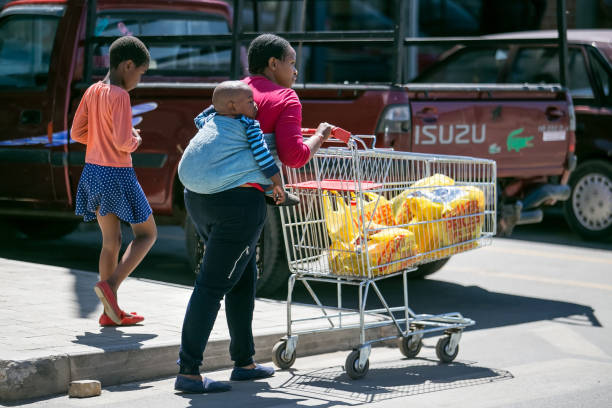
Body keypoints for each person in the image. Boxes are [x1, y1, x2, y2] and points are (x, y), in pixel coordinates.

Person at [174, 33, 334, 394]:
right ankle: (188, 371)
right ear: (273, 64)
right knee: (212, 284)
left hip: (199, 197)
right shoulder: (284, 97)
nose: (296, 70)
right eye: (291, 62)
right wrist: (319, 136)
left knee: (245, 274)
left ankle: (244, 362)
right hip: (239, 204)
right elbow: (294, 156)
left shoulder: (235, 92)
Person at [71, 36, 157, 327]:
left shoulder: (93, 90)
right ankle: (112, 285)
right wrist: (136, 138)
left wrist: (98, 140)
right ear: (128, 65)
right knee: (147, 234)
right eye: (140, 73)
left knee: (111, 242)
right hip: (117, 173)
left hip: (93, 171)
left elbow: (76, 133)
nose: (139, 80)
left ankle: (110, 312)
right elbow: (123, 142)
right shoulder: (120, 95)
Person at [178, 80, 299, 206]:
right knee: (264, 159)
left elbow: (198, 119)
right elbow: (262, 154)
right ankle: (271, 191)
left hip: (186, 178)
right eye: (250, 101)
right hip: (209, 182)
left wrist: (220, 105)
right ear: (233, 106)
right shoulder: (249, 125)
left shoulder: (210, 120)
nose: (255, 105)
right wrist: (277, 182)